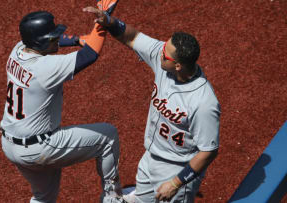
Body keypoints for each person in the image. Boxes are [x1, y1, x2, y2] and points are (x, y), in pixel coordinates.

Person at [84, 6, 221, 203]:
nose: (160, 51)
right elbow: (133, 37)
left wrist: (175, 183)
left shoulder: (203, 102)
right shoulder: (164, 57)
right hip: (150, 158)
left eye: (165, 53)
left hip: (176, 168)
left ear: (178, 65)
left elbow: (209, 151)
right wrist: (110, 21)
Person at [0, 1, 127, 203]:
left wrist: (77, 39)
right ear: (41, 43)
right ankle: (112, 198)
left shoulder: (17, 51)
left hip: (10, 145)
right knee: (107, 136)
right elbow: (90, 54)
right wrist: (102, 20)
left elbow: (58, 42)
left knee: (44, 197)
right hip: (39, 148)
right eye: (53, 37)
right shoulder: (45, 68)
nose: (57, 38)